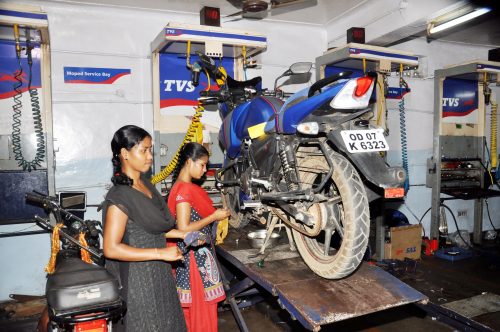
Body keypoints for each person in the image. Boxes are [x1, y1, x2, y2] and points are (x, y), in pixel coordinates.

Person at [102, 125, 195, 332]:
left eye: (150, 149)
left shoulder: (146, 185)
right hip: (138, 279)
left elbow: (149, 228)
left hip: (159, 272)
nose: (149, 156)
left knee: (167, 323)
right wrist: (161, 252)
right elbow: (111, 248)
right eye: (143, 150)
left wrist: (183, 233)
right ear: (125, 154)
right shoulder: (120, 197)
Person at [167, 142, 231, 332]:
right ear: (189, 162)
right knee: (202, 314)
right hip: (196, 261)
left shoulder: (178, 186)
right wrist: (214, 216)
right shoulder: (185, 189)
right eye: (202, 165)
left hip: (189, 257)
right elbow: (184, 228)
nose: (205, 170)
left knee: (191, 316)